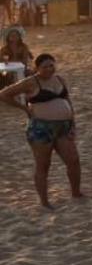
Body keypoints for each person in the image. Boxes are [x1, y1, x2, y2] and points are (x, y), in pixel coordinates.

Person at [1, 53, 83, 208]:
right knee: (43, 164)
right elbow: (4, 94)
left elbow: (68, 102)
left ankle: (76, 193)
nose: (49, 69)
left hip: (63, 127)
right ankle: (45, 202)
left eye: (52, 65)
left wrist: (73, 124)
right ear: (36, 68)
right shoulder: (30, 82)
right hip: (41, 128)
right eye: (45, 67)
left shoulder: (60, 80)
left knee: (73, 160)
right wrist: (24, 108)